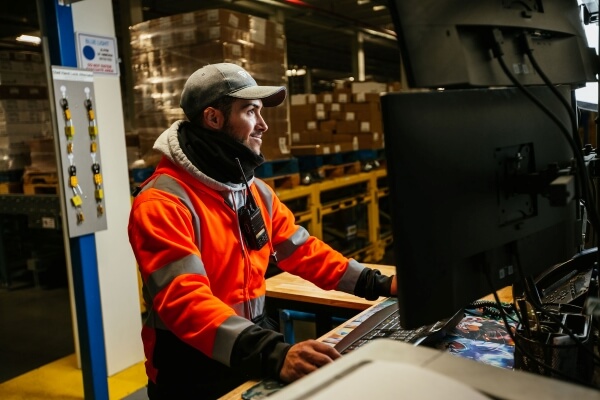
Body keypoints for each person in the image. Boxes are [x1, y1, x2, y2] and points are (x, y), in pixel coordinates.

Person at [128, 62, 397, 399]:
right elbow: (185, 302)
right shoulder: (163, 202)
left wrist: (381, 283)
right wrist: (275, 354)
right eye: (251, 111)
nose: (264, 124)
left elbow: (302, 251)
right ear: (214, 118)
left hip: (250, 344)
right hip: (190, 366)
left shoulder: (251, 190)